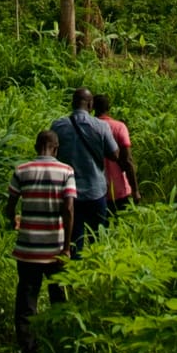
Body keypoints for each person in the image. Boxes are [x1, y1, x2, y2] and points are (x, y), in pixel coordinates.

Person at [4, 128, 75, 353]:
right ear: (56, 148)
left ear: (36, 147)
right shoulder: (66, 171)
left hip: (28, 248)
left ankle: (28, 347)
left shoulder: (21, 170)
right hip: (55, 248)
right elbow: (69, 208)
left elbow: (10, 204)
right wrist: (66, 247)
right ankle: (62, 342)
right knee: (59, 297)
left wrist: (12, 220)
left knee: (26, 298)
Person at [48, 86, 119, 252]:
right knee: (99, 241)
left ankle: (74, 273)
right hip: (96, 191)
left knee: (73, 243)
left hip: (69, 194)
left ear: (72, 104)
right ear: (90, 105)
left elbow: (52, 154)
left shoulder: (58, 126)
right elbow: (115, 154)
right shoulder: (101, 126)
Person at [93, 93, 141, 216]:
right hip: (120, 190)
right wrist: (135, 190)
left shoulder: (88, 128)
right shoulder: (119, 127)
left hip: (95, 191)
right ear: (109, 108)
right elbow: (128, 160)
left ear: (92, 107)